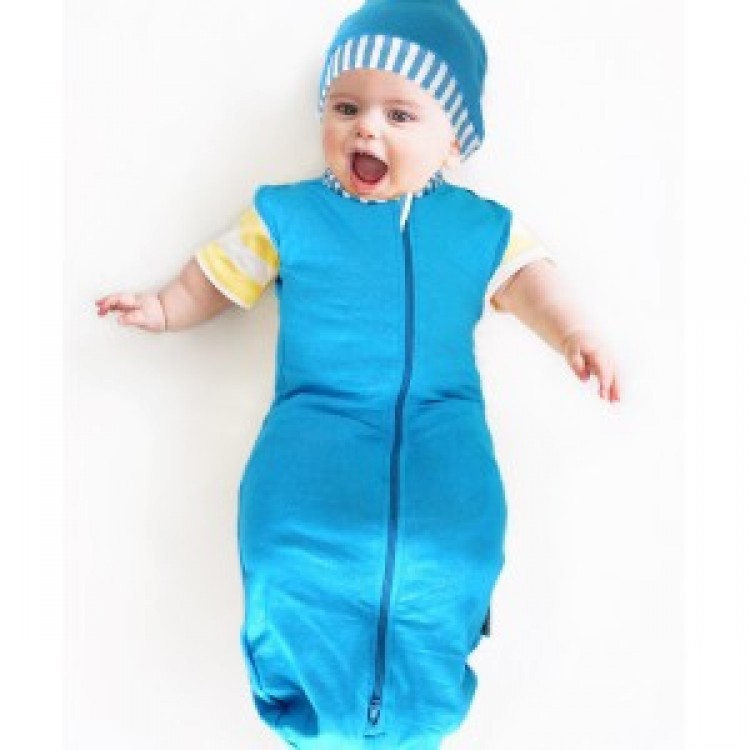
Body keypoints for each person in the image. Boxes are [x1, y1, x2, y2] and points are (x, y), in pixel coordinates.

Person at [96, 1, 620, 747]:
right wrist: (163, 307)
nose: (366, 128)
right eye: (346, 108)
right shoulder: (288, 215)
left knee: (455, 554)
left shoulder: (481, 227)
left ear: (453, 142)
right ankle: (310, 709)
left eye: (399, 115)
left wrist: (575, 334)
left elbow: (533, 281)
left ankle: (419, 708)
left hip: (444, 436)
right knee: (289, 554)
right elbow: (214, 275)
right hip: (315, 433)